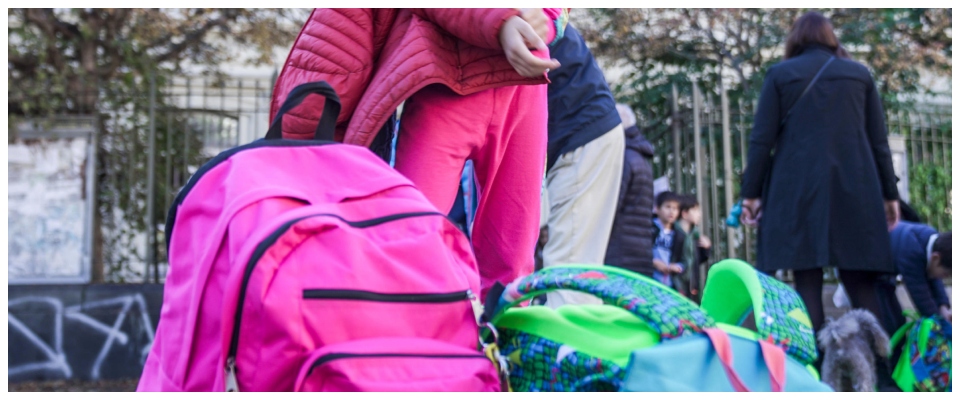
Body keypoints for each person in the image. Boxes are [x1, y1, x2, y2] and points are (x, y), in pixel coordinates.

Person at [270, 8, 567, 299]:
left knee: (512, 262)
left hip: (521, 89)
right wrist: (503, 20)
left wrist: (544, 22)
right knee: (410, 245)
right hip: (445, 82)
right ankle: (402, 337)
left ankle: (502, 343)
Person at [738, 12, 901, 385]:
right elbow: (878, 141)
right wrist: (889, 195)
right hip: (855, 189)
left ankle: (810, 374)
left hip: (797, 190)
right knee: (860, 281)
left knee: (806, 279)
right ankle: (880, 375)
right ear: (830, 37)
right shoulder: (859, 75)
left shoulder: (780, 75)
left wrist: (751, 194)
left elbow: (762, 139)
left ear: (795, 38)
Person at [539, 23, 625, 308]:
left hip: (580, 131)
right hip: (586, 127)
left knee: (569, 265)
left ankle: (568, 348)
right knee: (577, 262)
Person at [604, 104, 655, 278]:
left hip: (620, 249)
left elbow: (612, 204)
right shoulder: (639, 156)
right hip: (640, 249)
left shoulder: (624, 157)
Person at [677, 195, 712, 301]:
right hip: (678, 287)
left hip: (692, 288)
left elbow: (696, 261)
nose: (699, 215)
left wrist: (706, 249)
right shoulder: (675, 234)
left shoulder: (695, 236)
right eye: (696, 210)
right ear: (684, 213)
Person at [651, 191, 686, 289]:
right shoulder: (649, 228)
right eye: (668, 207)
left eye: (675, 208)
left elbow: (685, 261)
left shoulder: (680, 235)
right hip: (648, 279)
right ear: (657, 209)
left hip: (669, 285)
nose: (672, 211)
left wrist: (677, 267)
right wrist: (653, 261)